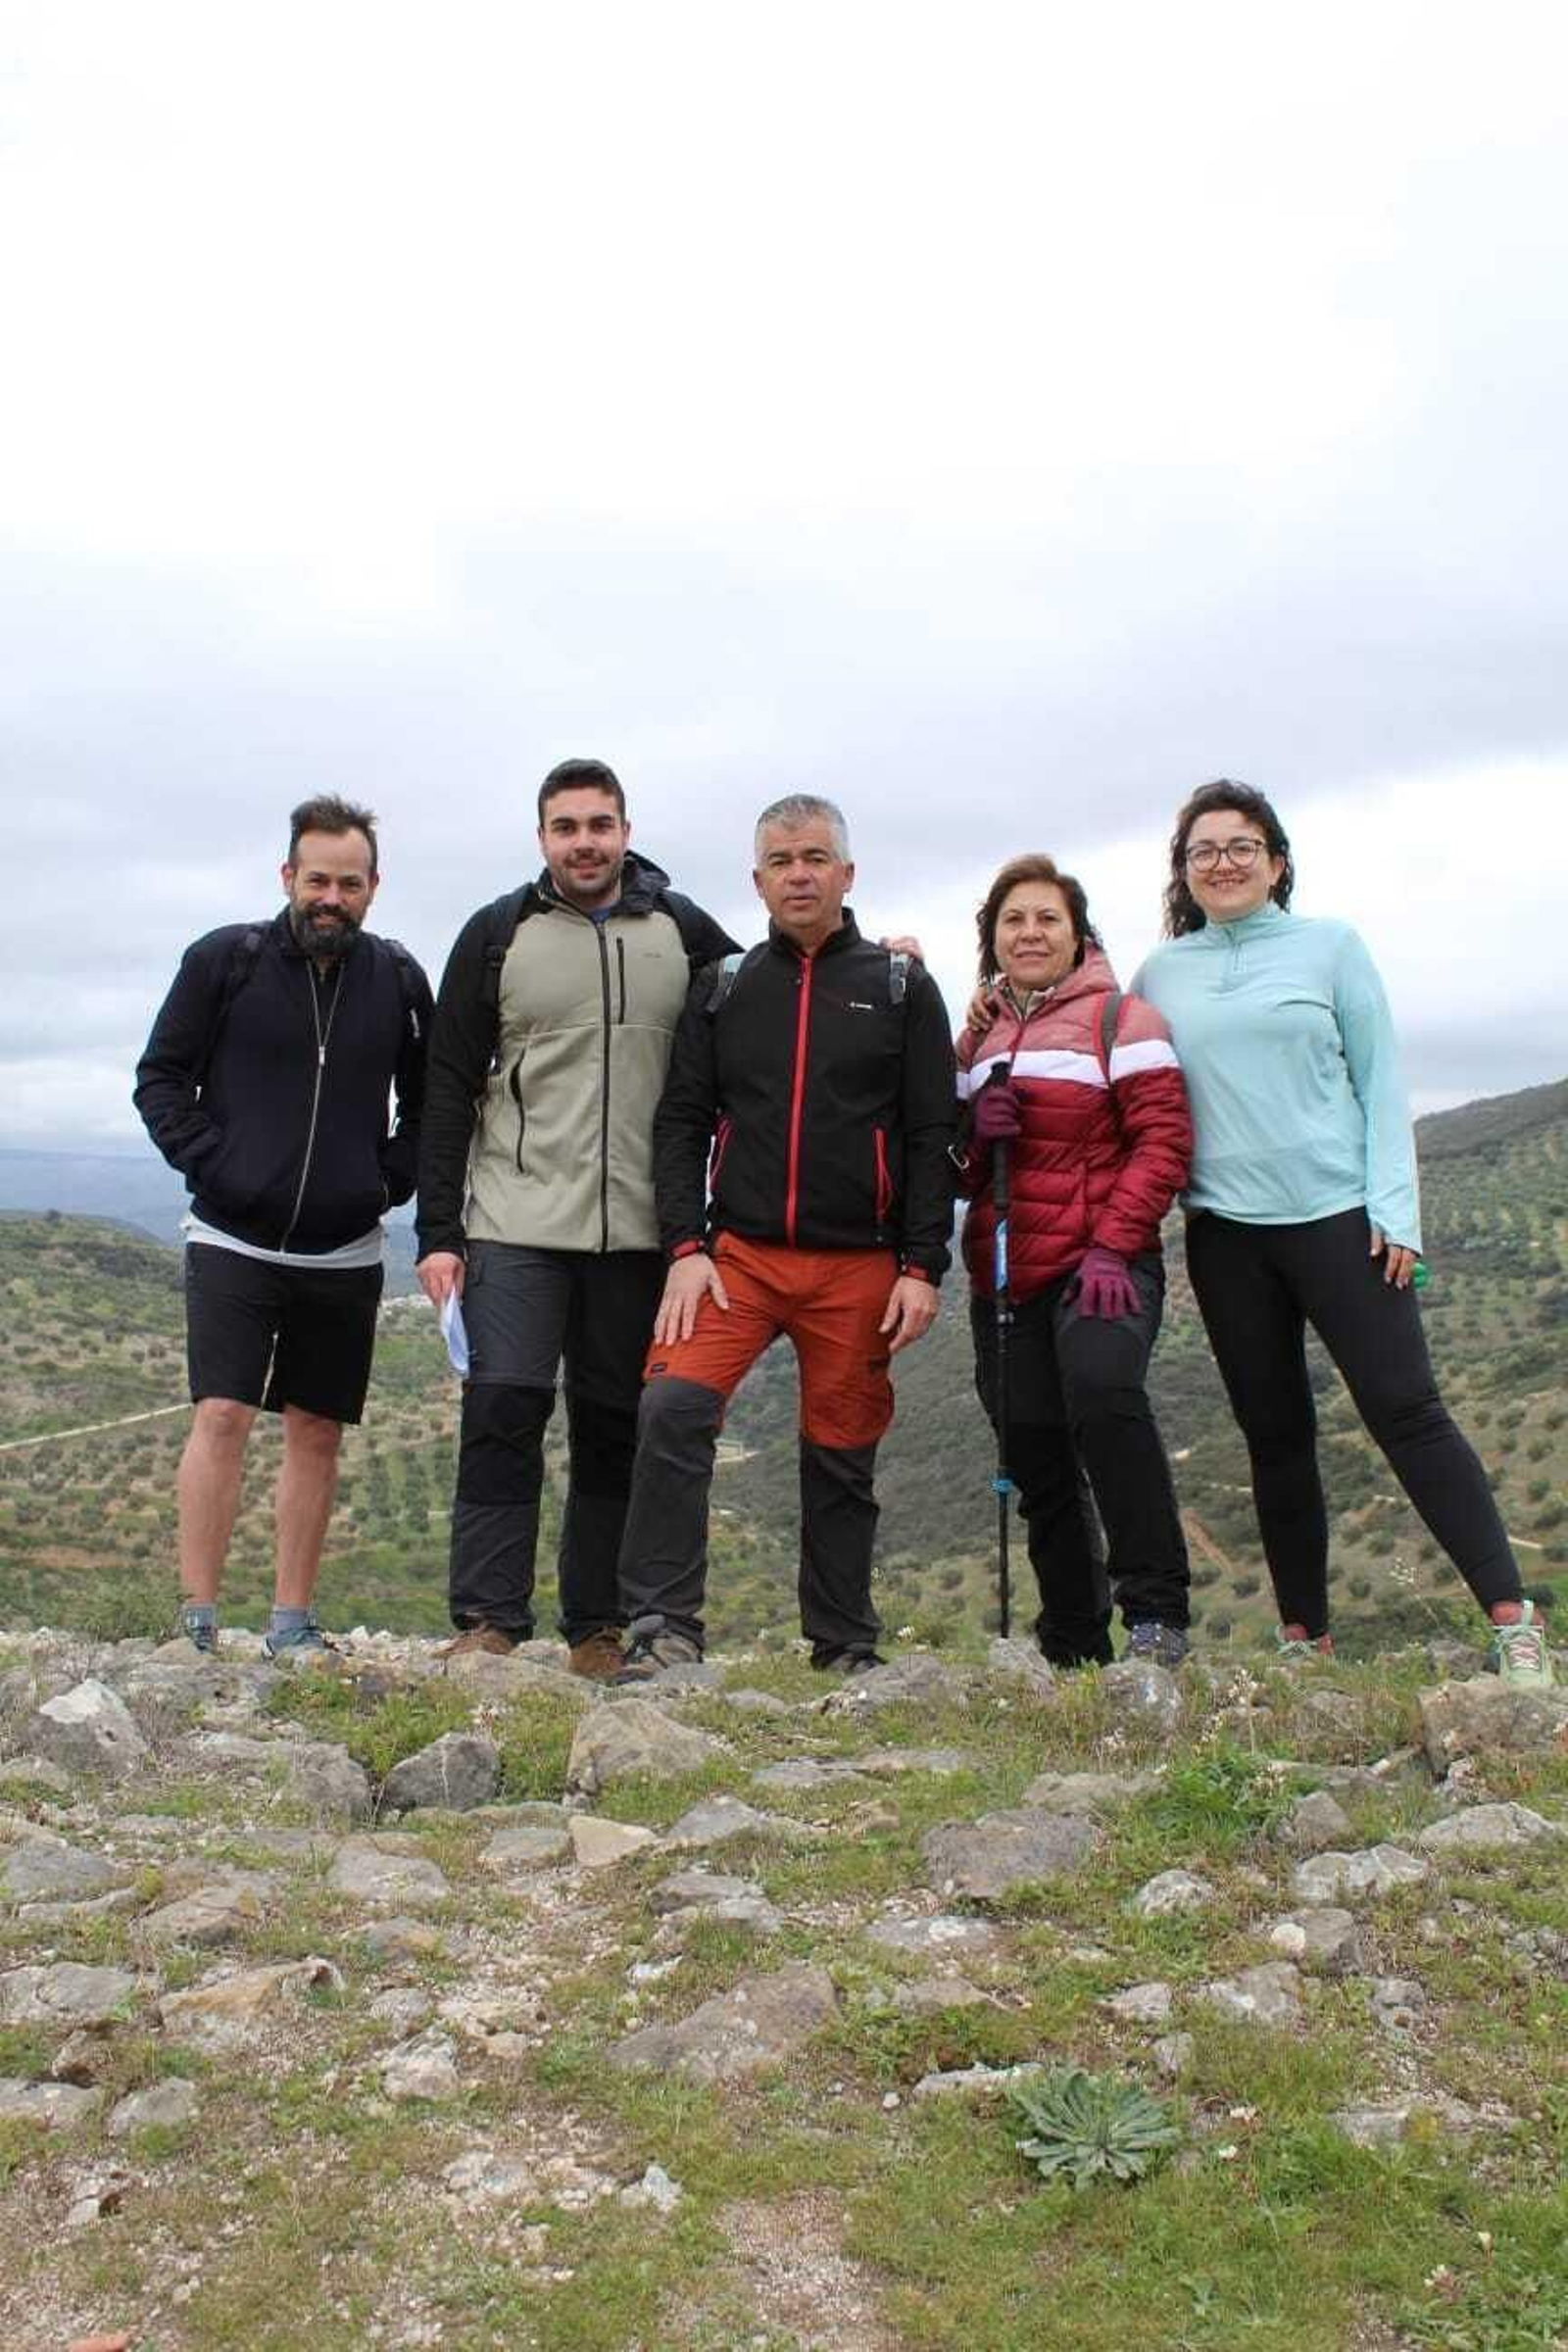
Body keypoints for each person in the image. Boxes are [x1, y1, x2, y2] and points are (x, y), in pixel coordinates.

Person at [1134, 779, 1551, 1684]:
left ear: (1277, 862)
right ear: (1185, 871)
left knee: (1408, 1412)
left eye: (1241, 846)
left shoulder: (1331, 948)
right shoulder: (1162, 974)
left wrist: (1398, 1215)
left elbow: (1383, 1082)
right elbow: (1110, 1050)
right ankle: (1304, 1641)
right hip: (1225, 1235)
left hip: (1342, 1223)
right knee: (1274, 1435)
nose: (1223, 862)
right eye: (1204, 851)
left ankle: (1514, 1621)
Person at [612, 793, 956, 1680]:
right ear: (757, 880)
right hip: (740, 1259)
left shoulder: (902, 988)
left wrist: (924, 1265)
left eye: (814, 858)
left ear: (847, 873)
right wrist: (684, 1248)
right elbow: (682, 1122)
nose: (798, 875)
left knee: (841, 1452)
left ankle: (842, 1644)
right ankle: (662, 1629)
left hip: (860, 1265)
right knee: (673, 1409)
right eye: (780, 861)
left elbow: (932, 1135)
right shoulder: (726, 988)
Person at [415, 758, 739, 1679]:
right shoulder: (496, 934)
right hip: (513, 1220)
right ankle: (489, 1620)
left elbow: (780, 996)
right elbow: (448, 1087)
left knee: (611, 1428)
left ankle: (597, 1627)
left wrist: (878, 954)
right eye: (566, 827)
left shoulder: (683, 931)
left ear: (626, 832)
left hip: (638, 1232)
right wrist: (438, 1233)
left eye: (600, 825)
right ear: (542, 838)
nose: (584, 843)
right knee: (502, 1414)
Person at [134, 796, 432, 1656]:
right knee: (223, 1413)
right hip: (232, 1235)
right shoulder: (224, 961)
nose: (331, 898)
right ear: (287, 876)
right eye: (317, 880)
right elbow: (160, 1078)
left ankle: (291, 1623)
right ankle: (196, 1619)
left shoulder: (399, 979)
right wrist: (216, 1166)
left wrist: (386, 1181)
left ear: (373, 886)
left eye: (349, 883)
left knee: (316, 1429)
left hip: (344, 1247)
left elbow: (429, 1103)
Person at [956, 855, 1194, 1667]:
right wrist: (973, 1133)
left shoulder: (1124, 1021)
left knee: (1104, 1393)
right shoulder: (976, 1038)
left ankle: (1156, 1613)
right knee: (1032, 1450)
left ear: (1078, 933)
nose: (1030, 933)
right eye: (1013, 919)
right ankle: (1073, 1640)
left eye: (1047, 918)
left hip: (1103, 1265)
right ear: (993, 937)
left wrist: (1114, 1248)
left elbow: (1163, 1141)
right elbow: (953, 1171)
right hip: (1005, 1278)